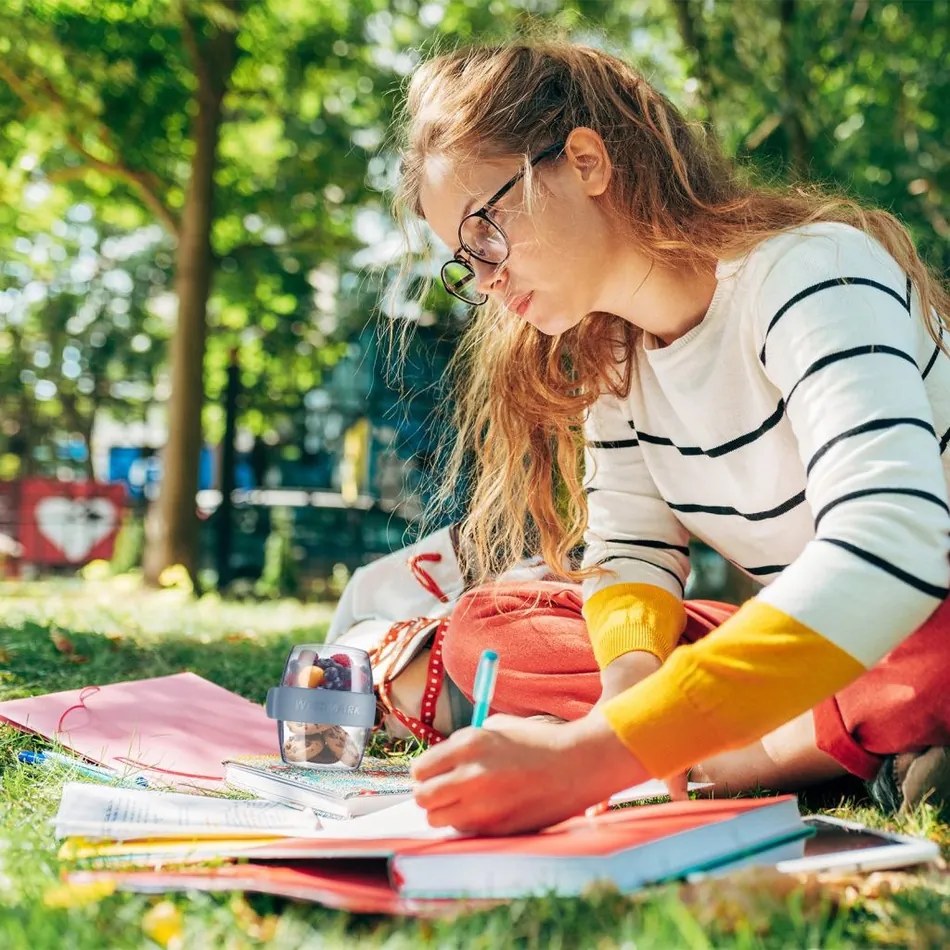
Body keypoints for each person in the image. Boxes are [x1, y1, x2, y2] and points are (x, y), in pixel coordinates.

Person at [392, 41, 950, 835]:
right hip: (848, 644)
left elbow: (892, 546)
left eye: (484, 231)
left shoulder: (811, 272)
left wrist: (597, 754)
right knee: (497, 624)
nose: (483, 279)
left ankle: (782, 747)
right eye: (462, 260)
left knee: (931, 648)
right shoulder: (615, 361)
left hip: (919, 603)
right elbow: (631, 559)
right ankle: (849, 741)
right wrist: (629, 690)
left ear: (585, 161)